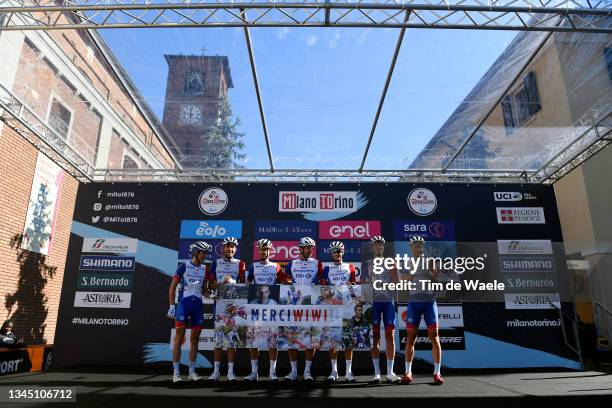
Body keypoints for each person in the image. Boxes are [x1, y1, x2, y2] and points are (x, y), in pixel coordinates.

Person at [244, 238, 291, 381]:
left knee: (272, 339)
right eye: (260, 249)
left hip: (272, 307)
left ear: (270, 251)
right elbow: (248, 284)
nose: (262, 251)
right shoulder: (253, 266)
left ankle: (272, 373)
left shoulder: (276, 266)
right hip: (256, 307)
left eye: (265, 249)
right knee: (253, 339)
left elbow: (285, 282)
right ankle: (254, 373)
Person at [401, 236, 444, 385]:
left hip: (429, 303)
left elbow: (437, 280)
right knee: (411, 338)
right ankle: (408, 372)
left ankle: (437, 373)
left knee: (435, 336)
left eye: (420, 246)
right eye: (416, 246)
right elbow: (403, 280)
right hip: (414, 304)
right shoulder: (407, 262)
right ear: (411, 247)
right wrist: (412, 273)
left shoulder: (430, 261)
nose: (418, 248)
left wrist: (433, 274)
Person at [167, 241, 211, 383]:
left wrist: (211, 295)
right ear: (195, 253)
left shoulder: (205, 268)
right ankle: (176, 373)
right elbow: (172, 287)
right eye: (203, 253)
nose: (205, 255)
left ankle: (191, 372)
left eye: (206, 253)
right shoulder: (183, 266)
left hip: (198, 305)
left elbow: (204, 290)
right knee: (179, 338)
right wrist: (172, 306)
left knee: (194, 339)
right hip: (183, 305)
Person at [205, 237, 246, 382]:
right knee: (218, 341)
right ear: (223, 248)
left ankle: (230, 372)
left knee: (231, 341)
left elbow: (244, 286)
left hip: (234, 307)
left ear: (235, 249)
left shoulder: (240, 264)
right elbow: (209, 286)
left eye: (233, 247)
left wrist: (234, 283)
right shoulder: (216, 263)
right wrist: (220, 283)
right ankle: (215, 372)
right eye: (228, 247)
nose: (230, 249)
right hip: (220, 306)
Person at [283, 237, 322, 382]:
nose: (310, 250)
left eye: (311, 247)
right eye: (307, 247)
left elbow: (324, 282)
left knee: (309, 338)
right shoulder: (291, 264)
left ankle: (307, 372)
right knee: (292, 338)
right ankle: (293, 372)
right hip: (294, 306)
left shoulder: (317, 263)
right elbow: (285, 281)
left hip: (310, 306)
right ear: (300, 248)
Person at [319, 241, 357, 382]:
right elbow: (323, 289)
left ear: (343, 252)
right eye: (335, 251)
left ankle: (348, 372)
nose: (337, 253)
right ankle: (334, 371)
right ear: (331, 253)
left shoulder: (350, 267)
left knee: (348, 341)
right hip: (333, 309)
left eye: (340, 251)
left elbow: (354, 287)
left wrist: (351, 286)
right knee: (333, 341)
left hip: (347, 309)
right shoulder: (327, 269)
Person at [367, 236, 400, 383]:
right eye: (376, 245)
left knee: (390, 335)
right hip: (373, 303)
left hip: (387, 302)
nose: (379, 247)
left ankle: (390, 372)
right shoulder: (367, 263)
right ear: (372, 247)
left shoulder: (391, 262)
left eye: (381, 245)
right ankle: (376, 372)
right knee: (375, 336)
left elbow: (396, 282)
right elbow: (364, 284)